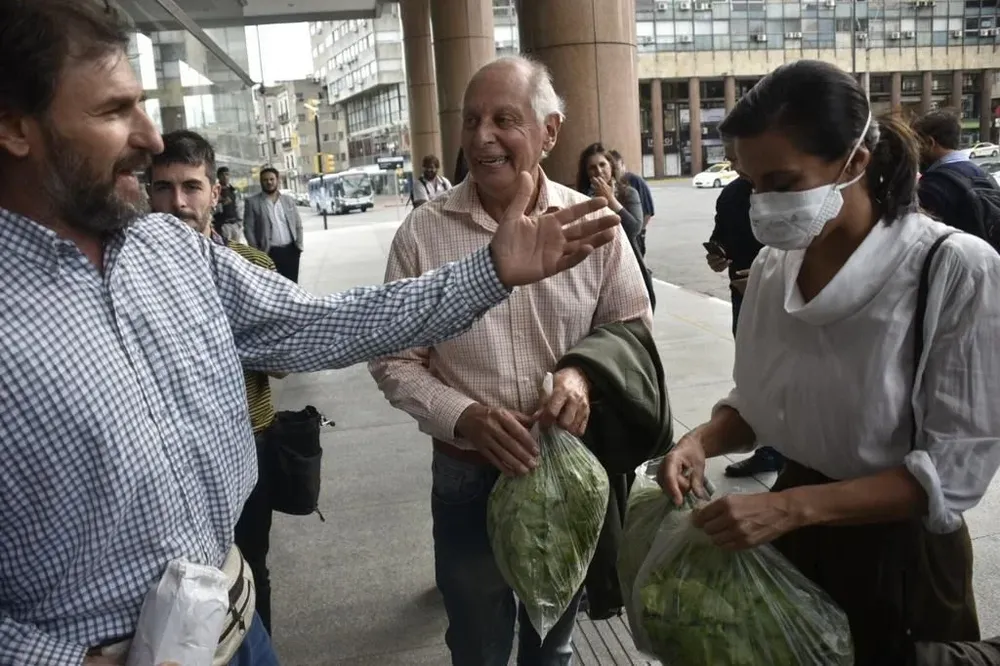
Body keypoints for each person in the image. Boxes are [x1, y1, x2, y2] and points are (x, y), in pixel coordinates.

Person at [0, 3, 622, 663]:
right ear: (15, 128)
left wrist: (490, 271)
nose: (152, 138)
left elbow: (318, 325)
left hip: (235, 628)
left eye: (142, 105)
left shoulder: (170, 251)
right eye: (111, 111)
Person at [658, 59, 1000, 665]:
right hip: (790, 535)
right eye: (749, 182)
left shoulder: (952, 270)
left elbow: (951, 474)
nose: (761, 204)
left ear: (856, 163)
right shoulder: (771, 268)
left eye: (783, 183)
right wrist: (699, 442)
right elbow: (758, 404)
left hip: (899, 558)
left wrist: (789, 508)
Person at [369, 55, 652, 666]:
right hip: (467, 471)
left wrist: (579, 377)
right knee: (476, 638)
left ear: (549, 132)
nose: (481, 137)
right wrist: (466, 415)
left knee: (554, 640)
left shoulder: (594, 224)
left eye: (504, 119)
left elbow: (631, 326)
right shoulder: (423, 233)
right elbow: (394, 359)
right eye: (472, 121)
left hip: (570, 472)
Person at [148, 130, 283, 635]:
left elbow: (286, 361)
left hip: (251, 436)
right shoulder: (132, 274)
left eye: (191, 187)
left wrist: (223, 326)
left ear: (215, 193)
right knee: (182, 581)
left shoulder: (251, 266)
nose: (177, 202)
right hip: (173, 457)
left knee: (252, 567)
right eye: (163, 188)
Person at [704, 141, 782, 478]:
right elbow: (721, 241)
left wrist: (767, 278)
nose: (735, 166)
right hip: (744, 301)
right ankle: (770, 448)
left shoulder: (786, 190)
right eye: (731, 158)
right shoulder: (732, 196)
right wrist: (717, 258)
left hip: (785, 302)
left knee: (787, 373)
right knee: (755, 372)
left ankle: (787, 449)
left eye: (740, 157)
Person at [576, 141, 656, 308]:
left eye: (602, 164)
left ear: (611, 166)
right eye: (592, 167)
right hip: (593, 270)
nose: (599, 171)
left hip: (626, 265)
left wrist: (611, 200)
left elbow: (634, 228)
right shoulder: (580, 198)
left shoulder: (628, 193)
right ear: (586, 173)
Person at [913, 108, 1000, 237]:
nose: (915, 151)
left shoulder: (932, 186)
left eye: (916, 144)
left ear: (930, 143)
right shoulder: (984, 176)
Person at [244, 166, 304, 282]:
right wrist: (257, 253)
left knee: (292, 286)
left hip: (291, 251)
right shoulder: (252, 202)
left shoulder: (288, 200)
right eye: (265, 180)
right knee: (273, 288)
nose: (269, 182)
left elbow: (298, 224)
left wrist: (299, 246)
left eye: (272, 179)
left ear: (277, 180)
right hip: (268, 253)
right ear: (261, 182)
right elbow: (248, 229)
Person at [610, 148, 655, 256]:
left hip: (634, 236)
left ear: (623, 166)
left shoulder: (635, 182)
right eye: (612, 167)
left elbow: (648, 211)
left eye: (617, 167)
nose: (615, 171)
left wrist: (640, 232)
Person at [213, 165, 242, 239]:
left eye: (227, 174)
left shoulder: (233, 190)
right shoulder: (214, 191)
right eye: (222, 175)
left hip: (235, 225)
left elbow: (239, 207)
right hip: (222, 225)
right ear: (218, 176)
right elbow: (211, 209)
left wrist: (239, 223)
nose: (225, 177)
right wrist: (221, 204)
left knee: (236, 249)